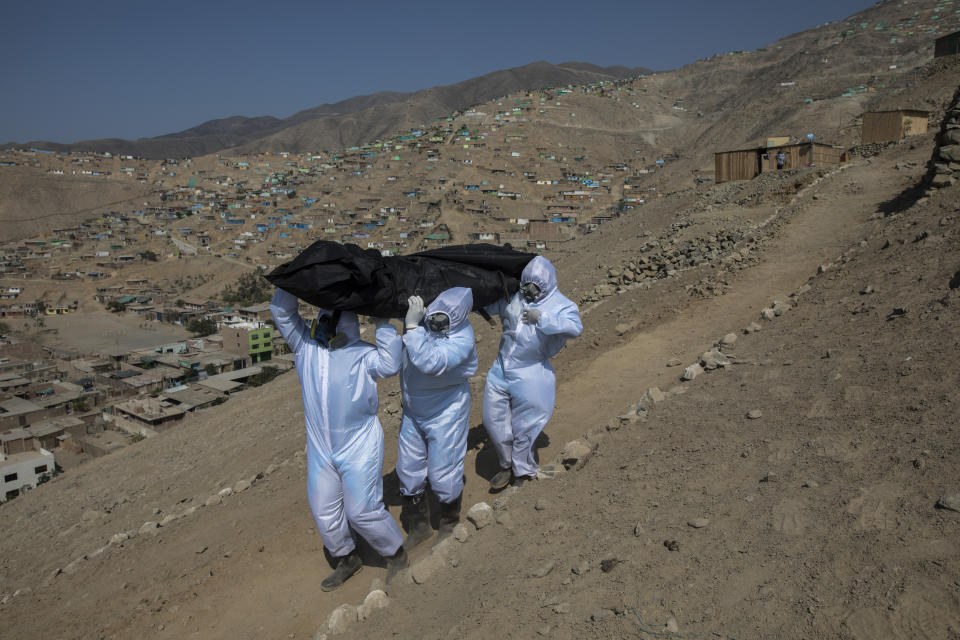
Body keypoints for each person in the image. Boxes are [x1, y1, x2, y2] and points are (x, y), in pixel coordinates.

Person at [270, 288, 407, 591]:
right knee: (323, 509)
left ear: (347, 324)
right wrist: (292, 281)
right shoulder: (305, 348)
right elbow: (281, 311)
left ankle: (396, 554)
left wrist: (382, 323)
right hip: (321, 449)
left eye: (334, 319)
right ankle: (347, 556)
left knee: (362, 510)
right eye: (324, 318)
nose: (326, 325)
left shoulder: (363, 354)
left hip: (359, 446)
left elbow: (390, 364)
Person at [482, 256, 583, 490]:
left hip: (530, 370)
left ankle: (523, 470)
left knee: (526, 423)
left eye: (536, 287)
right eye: (527, 284)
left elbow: (575, 327)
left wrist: (543, 318)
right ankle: (506, 464)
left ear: (546, 285)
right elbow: (491, 303)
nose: (529, 290)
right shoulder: (514, 296)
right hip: (500, 369)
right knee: (493, 420)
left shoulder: (560, 304)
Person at [397, 287, 478, 549]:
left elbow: (430, 362)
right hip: (414, 410)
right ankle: (419, 526)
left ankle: (449, 522)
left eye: (444, 319)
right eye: (434, 316)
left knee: (443, 470)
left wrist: (412, 327)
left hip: (446, 410)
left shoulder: (462, 339)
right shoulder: (425, 325)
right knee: (408, 469)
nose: (435, 322)